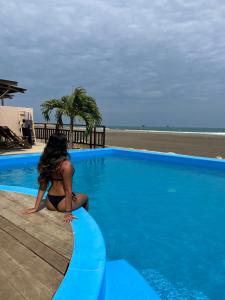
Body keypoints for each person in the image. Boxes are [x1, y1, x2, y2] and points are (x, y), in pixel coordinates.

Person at [23, 133, 88, 223]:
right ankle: (84, 223)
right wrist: (68, 212)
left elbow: (43, 186)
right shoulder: (66, 165)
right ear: (63, 146)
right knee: (85, 197)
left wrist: (36, 207)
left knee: (75, 194)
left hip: (49, 202)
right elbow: (68, 190)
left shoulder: (46, 162)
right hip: (63, 203)